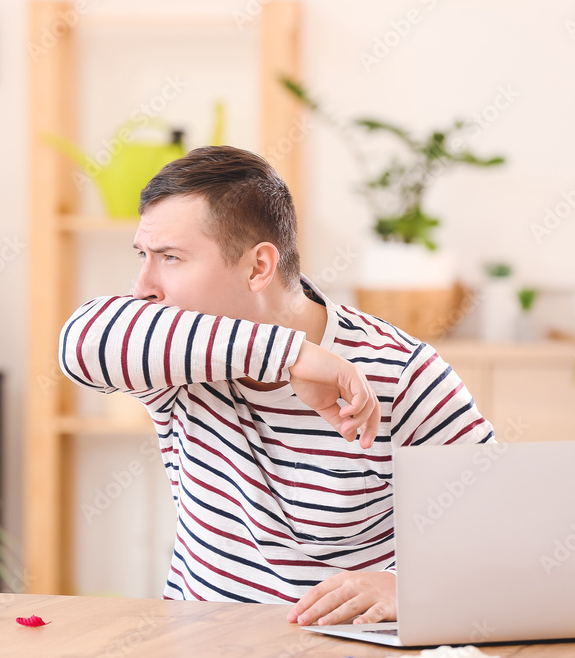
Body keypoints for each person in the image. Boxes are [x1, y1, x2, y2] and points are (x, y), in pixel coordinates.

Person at [59, 145, 494, 626]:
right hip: (201, 647)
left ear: (259, 267)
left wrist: (406, 585)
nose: (143, 286)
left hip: (343, 648)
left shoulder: (400, 371)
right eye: (143, 255)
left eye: (171, 257)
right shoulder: (178, 355)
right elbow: (80, 343)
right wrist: (293, 356)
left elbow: (497, 523)